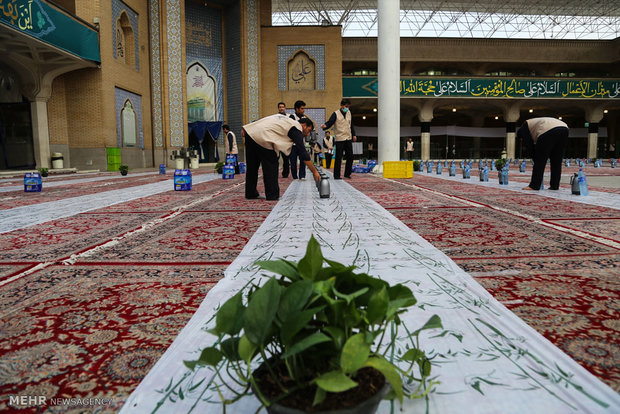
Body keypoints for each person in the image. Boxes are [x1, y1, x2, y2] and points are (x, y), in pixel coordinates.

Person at [242, 115, 320, 200]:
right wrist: (314, 172)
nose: (307, 134)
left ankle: (250, 193)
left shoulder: (284, 119)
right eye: (308, 130)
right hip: (263, 136)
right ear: (304, 125)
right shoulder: (296, 127)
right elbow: (302, 152)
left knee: (252, 167)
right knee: (271, 165)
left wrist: (246, 128)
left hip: (250, 133)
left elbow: (263, 120)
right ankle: (272, 195)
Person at [517, 117, 569, 191]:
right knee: (556, 161)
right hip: (564, 128)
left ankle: (534, 185)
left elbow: (529, 145)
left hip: (547, 129)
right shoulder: (533, 124)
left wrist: (535, 158)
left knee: (540, 160)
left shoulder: (523, 129)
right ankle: (555, 185)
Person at [321, 99, 357, 179]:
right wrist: (325, 126)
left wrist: (354, 134)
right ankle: (337, 175)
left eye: (348, 107)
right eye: (346, 106)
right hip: (340, 139)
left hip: (348, 137)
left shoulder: (349, 113)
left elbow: (351, 125)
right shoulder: (335, 114)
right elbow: (330, 122)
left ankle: (347, 174)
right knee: (338, 157)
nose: (347, 108)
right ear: (341, 105)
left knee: (350, 156)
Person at [289, 100, 308, 180]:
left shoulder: (305, 118)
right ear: (296, 109)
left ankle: (302, 176)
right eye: (301, 108)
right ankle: (295, 177)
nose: (303, 110)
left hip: (301, 143)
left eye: (304, 109)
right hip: (293, 144)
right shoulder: (292, 117)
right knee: (293, 162)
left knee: (303, 161)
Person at [277, 102, 290, 178]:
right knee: (275, 158)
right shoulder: (275, 117)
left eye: (283, 107)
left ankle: (285, 173)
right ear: (278, 108)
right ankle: (274, 173)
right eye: (280, 107)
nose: (281, 108)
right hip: (277, 140)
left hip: (285, 140)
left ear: (285, 108)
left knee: (286, 159)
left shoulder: (288, 117)